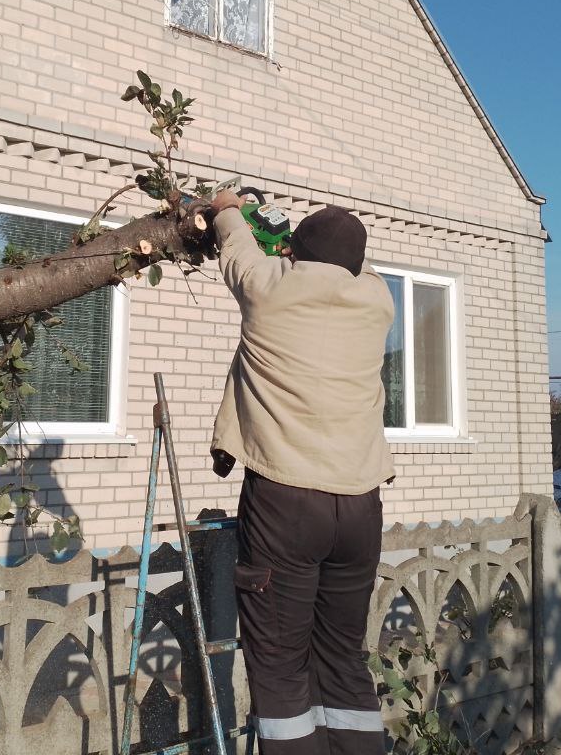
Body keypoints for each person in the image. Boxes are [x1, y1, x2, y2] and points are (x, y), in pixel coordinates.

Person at [207, 189, 395, 755]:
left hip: (287, 504)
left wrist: (226, 204)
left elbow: (235, 241)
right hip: (359, 507)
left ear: (295, 254)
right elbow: (350, 261)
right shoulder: (379, 301)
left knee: (281, 665)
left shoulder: (269, 288)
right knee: (343, 659)